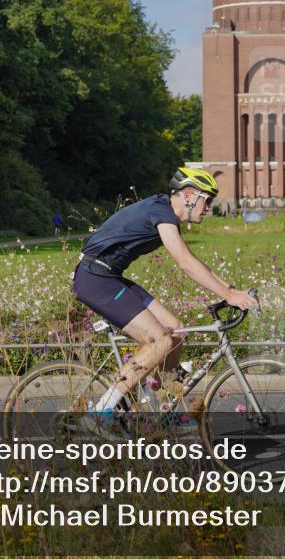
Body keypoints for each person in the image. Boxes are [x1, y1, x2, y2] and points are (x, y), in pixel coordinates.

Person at [72, 167, 258, 431]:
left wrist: (231, 291)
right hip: (94, 278)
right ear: (189, 195)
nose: (209, 208)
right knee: (159, 341)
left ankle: (163, 408)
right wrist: (228, 295)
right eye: (207, 200)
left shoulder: (164, 211)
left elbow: (193, 260)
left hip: (107, 275)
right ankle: (100, 413)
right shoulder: (162, 213)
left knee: (176, 332)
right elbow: (185, 263)